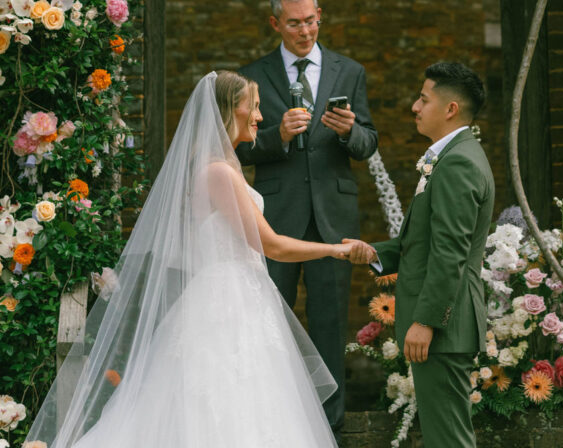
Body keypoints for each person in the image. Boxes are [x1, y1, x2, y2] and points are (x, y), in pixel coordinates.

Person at [25, 71, 353, 448]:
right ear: (231, 110)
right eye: (255, 107)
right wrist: (334, 249)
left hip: (235, 297)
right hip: (228, 304)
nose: (261, 117)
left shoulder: (218, 167)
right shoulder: (217, 173)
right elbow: (273, 246)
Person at [237, 0, 378, 434]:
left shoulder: (349, 71)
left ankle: (328, 433)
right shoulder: (253, 74)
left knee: (330, 327)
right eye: (294, 23)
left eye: (311, 21)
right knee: (268, 322)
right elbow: (236, 148)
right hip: (275, 217)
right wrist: (276, 136)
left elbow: (367, 143)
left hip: (332, 218)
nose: (305, 31)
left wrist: (346, 130)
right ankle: (271, 429)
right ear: (275, 23)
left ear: (321, 15)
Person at [345, 61, 495, 448]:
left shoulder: (458, 162)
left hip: (444, 329)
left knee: (449, 440)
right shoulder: (449, 157)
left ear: (450, 109)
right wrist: (371, 254)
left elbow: (451, 253)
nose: (414, 106)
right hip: (447, 329)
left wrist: (426, 322)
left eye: (423, 99)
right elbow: (425, 243)